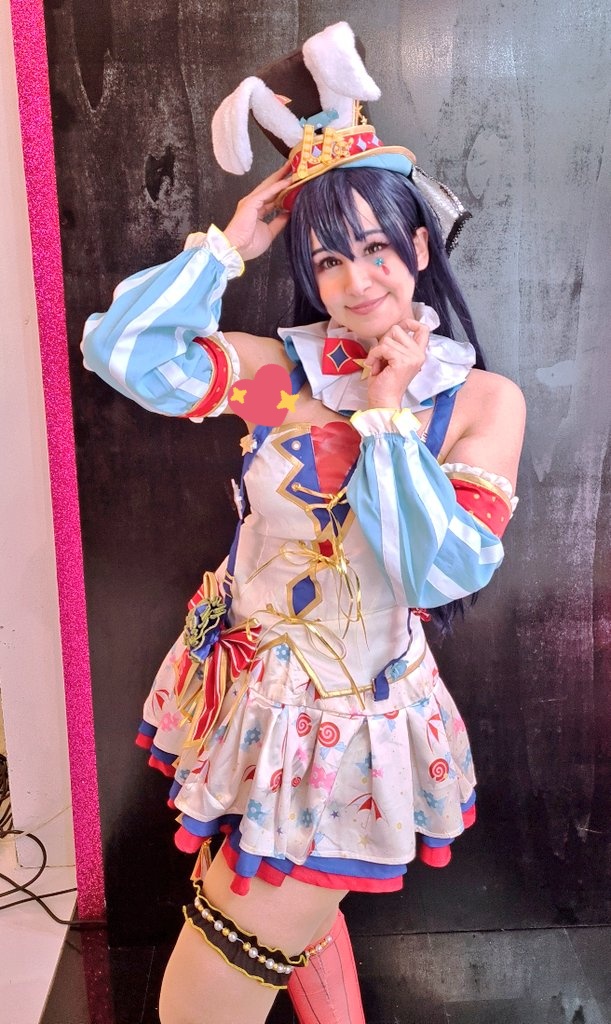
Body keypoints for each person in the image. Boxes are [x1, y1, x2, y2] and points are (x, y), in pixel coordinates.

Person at [82, 22, 525, 1024]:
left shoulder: (477, 402)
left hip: (347, 722)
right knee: (283, 919)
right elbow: (123, 353)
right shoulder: (282, 376)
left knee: (211, 984)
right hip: (242, 691)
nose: (356, 281)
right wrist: (229, 243)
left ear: (418, 245)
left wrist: (385, 414)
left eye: (375, 248)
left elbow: (439, 573)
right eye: (328, 259)